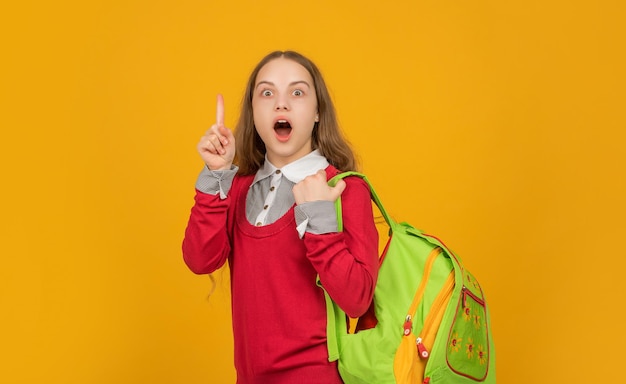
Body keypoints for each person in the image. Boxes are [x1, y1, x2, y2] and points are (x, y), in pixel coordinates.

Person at [182, 50, 379, 384]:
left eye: (297, 93)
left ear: (317, 113)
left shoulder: (343, 188)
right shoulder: (240, 186)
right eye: (267, 93)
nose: (281, 104)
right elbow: (201, 259)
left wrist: (319, 217)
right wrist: (216, 176)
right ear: (254, 112)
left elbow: (357, 300)